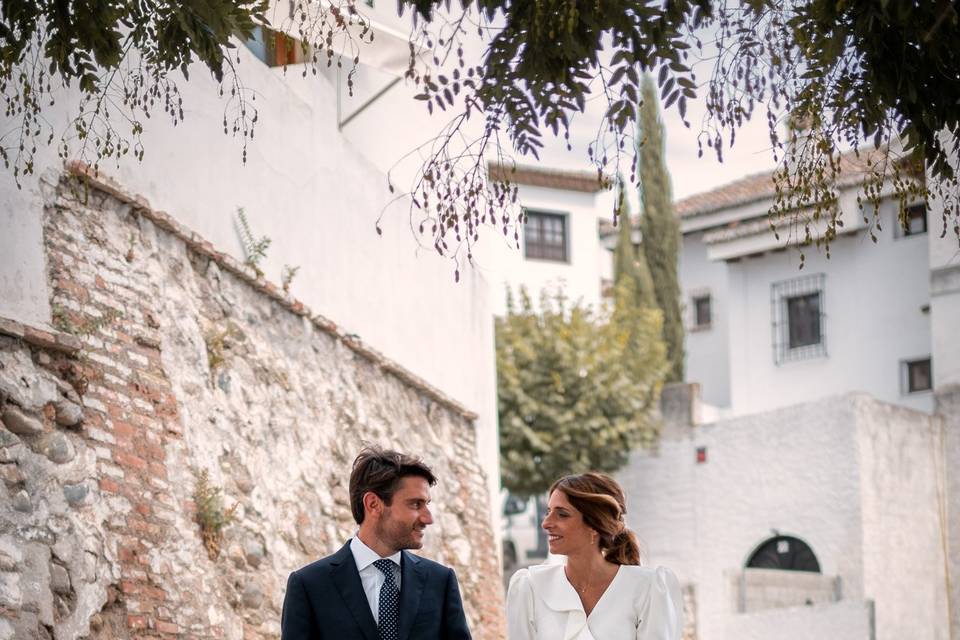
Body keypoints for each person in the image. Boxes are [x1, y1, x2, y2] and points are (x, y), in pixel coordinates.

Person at [281, 446, 472, 640]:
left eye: (426, 504)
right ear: (373, 504)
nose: (428, 518)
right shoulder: (309, 585)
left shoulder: (440, 581)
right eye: (415, 504)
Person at [505, 472, 684, 640]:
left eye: (562, 514)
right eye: (548, 512)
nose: (546, 523)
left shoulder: (649, 589)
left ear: (594, 525)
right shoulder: (530, 588)